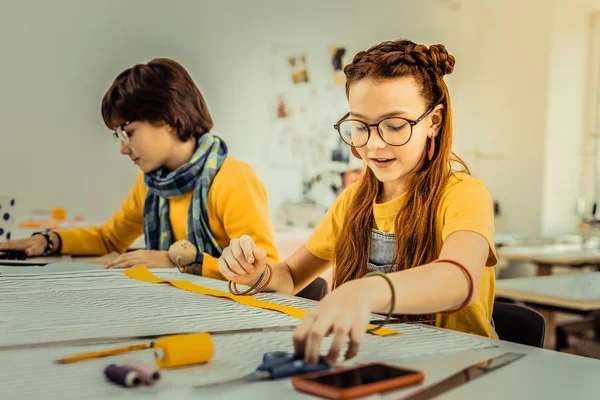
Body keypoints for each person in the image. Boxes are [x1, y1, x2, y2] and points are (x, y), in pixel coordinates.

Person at [218, 39, 497, 364]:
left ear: (433, 121)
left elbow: (457, 280)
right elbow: (291, 278)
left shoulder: (463, 193)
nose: (375, 144)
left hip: (460, 367)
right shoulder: (353, 201)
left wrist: (366, 291)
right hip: (377, 362)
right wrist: (255, 274)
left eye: (395, 126)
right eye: (360, 126)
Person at [0, 58, 279, 279]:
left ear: (168, 118)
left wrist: (181, 262)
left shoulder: (233, 179)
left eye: (128, 132)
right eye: (118, 136)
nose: (123, 147)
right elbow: (110, 239)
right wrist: (48, 241)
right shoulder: (151, 182)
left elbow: (264, 272)